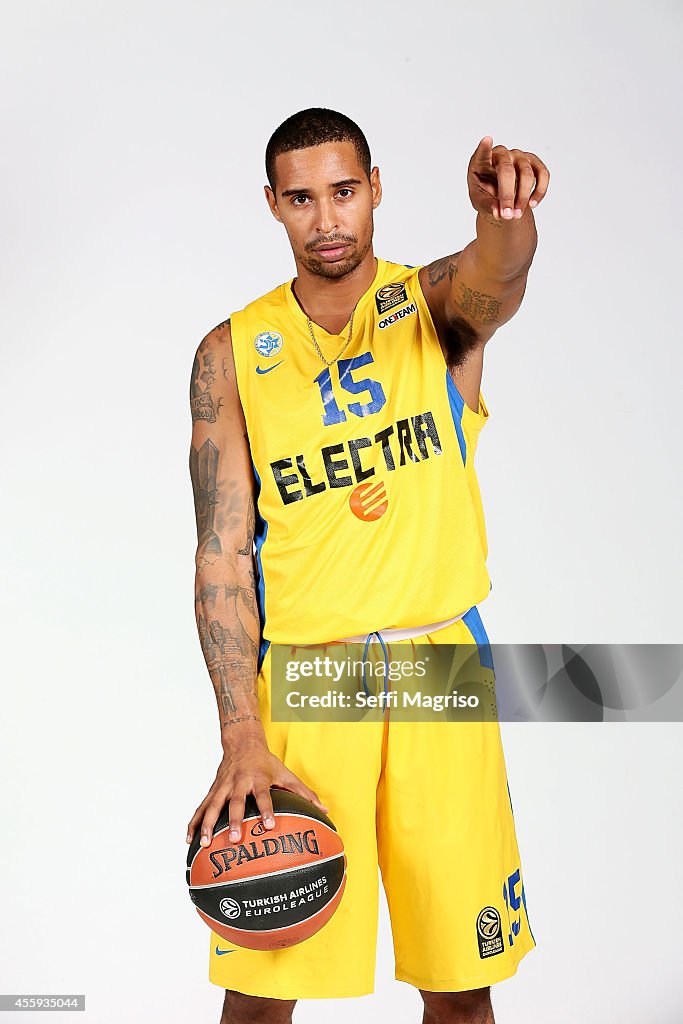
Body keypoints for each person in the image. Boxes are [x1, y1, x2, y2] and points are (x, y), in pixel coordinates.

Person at [186, 107, 549, 1024]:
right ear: (272, 205)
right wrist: (239, 733)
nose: (327, 220)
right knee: (264, 992)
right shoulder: (230, 356)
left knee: (460, 987)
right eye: (302, 199)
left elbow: (498, 276)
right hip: (309, 681)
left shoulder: (429, 310)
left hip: (438, 667)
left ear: (375, 188)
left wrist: (501, 216)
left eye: (343, 192)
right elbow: (222, 552)